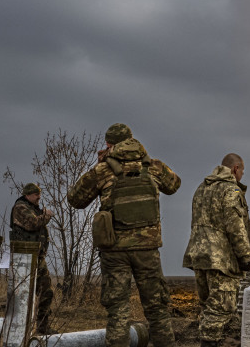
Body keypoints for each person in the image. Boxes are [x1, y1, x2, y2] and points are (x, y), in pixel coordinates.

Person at [67, 123, 181, 347]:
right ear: (131, 140)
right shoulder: (153, 166)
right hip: (147, 250)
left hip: (115, 251)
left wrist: (100, 164)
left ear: (109, 144)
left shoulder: (103, 171)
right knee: (157, 309)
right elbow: (174, 184)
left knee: (118, 310)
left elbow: (75, 199)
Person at [183, 153, 250, 347]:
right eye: (242, 172)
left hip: (199, 256)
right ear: (235, 169)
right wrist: (245, 256)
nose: (242, 176)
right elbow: (236, 227)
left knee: (209, 306)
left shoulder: (201, 189)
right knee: (221, 308)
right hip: (221, 260)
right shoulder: (231, 190)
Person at [10, 182, 55, 334]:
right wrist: (47, 215)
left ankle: (42, 327)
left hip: (37, 257)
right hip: (24, 258)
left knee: (46, 291)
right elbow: (33, 224)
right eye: (36, 194)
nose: (39, 197)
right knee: (22, 295)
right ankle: (17, 330)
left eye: (39, 194)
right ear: (28, 195)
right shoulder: (20, 208)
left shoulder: (33, 209)